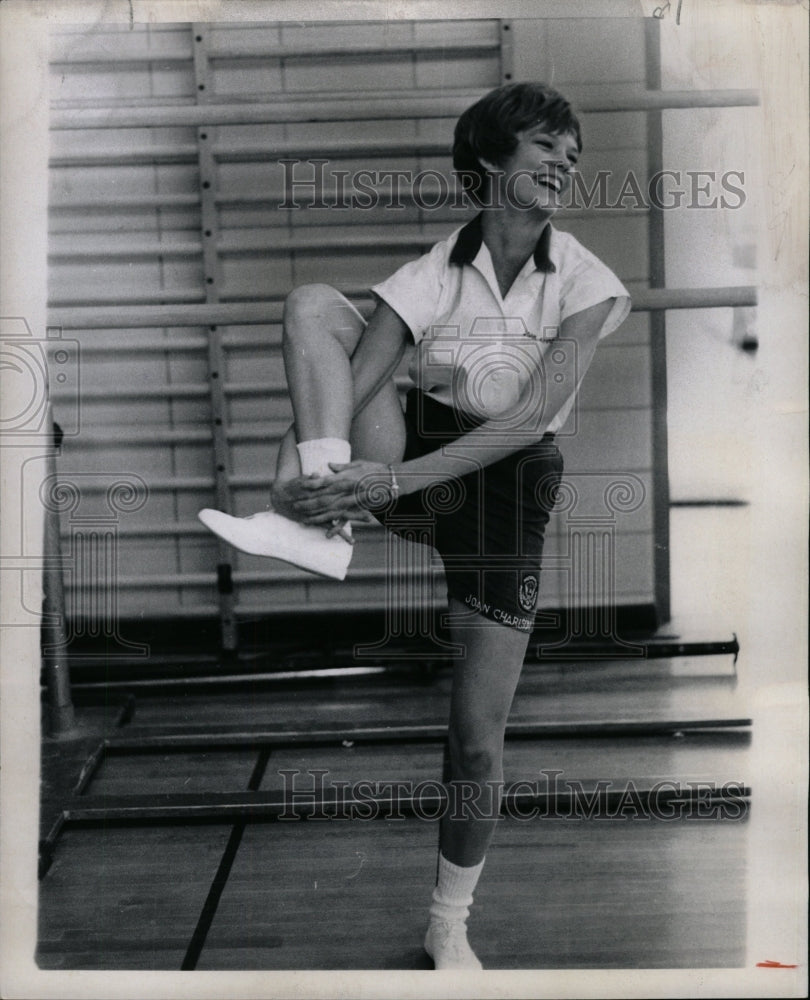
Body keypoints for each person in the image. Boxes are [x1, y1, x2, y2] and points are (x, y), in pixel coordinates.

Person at [199, 82, 630, 969]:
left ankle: (448, 922)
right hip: (412, 453)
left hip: (506, 485)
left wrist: (381, 480)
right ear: (491, 161)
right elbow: (353, 381)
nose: (564, 166)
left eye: (572, 156)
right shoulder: (431, 272)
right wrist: (301, 482)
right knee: (317, 304)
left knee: (475, 738)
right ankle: (325, 529)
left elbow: (518, 426)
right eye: (547, 148)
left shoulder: (587, 282)